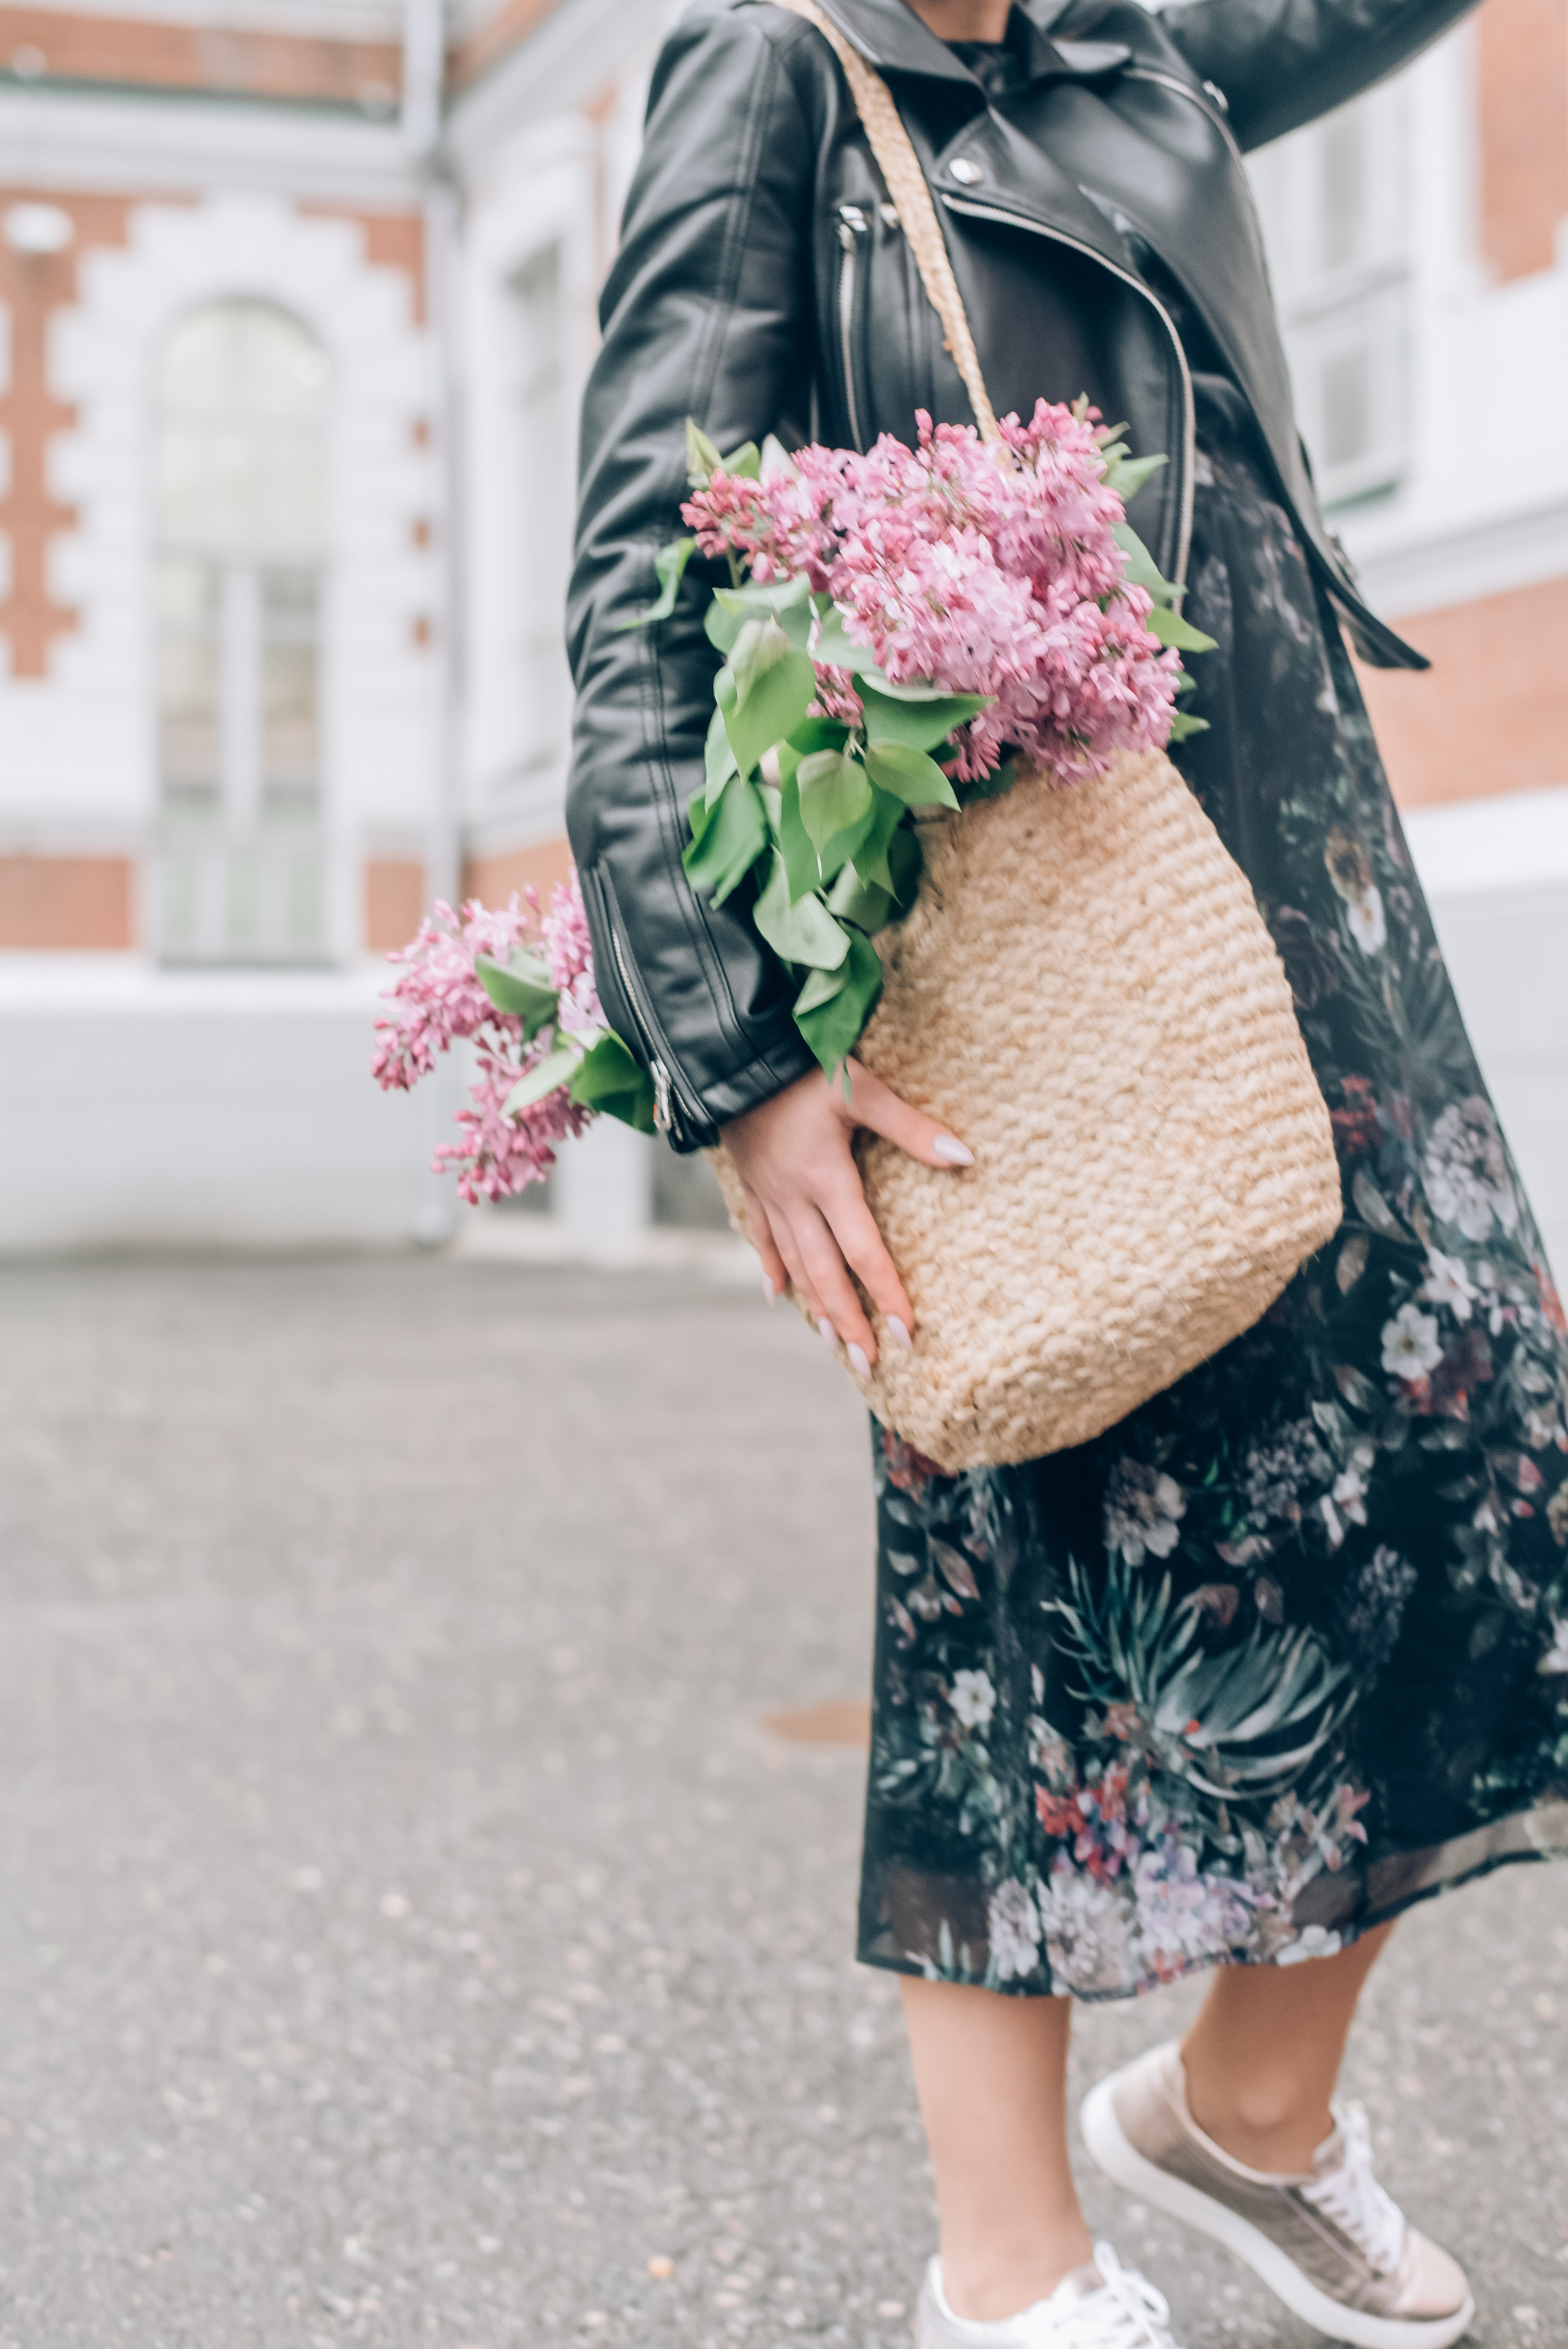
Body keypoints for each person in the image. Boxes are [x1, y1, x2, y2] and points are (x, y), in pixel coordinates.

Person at [565, 4, 1568, 2343]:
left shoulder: (1144, 44)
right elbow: (636, 590)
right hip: (1003, 945)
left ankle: (1246, 2110)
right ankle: (1007, 2272)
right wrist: (735, 1054)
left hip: (1294, 896)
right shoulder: (773, 74)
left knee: (1488, 1466)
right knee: (1028, 1548)